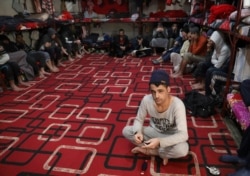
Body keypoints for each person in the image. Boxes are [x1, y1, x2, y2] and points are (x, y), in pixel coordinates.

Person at [122, 69, 189, 165]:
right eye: (153, 92)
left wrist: (160, 141)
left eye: (160, 91)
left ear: (168, 89)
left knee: (182, 150)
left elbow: (183, 135)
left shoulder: (178, 105)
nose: (156, 96)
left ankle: (152, 151)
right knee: (126, 131)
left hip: (170, 135)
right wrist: (138, 132)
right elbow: (139, 120)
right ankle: (162, 152)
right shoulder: (146, 100)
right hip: (154, 132)